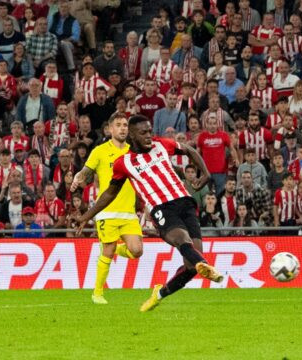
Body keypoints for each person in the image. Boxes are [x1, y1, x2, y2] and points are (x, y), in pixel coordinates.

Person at [76, 114, 223, 312]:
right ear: (132, 136)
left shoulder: (161, 145)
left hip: (185, 202)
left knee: (190, 265)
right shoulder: (124, 163)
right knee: (182, 240)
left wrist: (206, 174)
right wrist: (86, 216)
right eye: (143, 133)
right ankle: (206, 266)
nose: (148, 136)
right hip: (161, 207)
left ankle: (160, 294)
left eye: (150, 131)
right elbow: (109, 193)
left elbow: (188, 150)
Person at [71, 115, 143, 305]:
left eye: (125, 125)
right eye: (118, 125)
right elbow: (86, 172)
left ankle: (119, 250)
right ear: (110, 129)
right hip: (107, 210)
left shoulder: (133, 152)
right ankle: (97, 293)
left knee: (137, 251)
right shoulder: (100, 151)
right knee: (108, 251)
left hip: (128, 212)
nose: (122, 129)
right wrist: (78, 178)